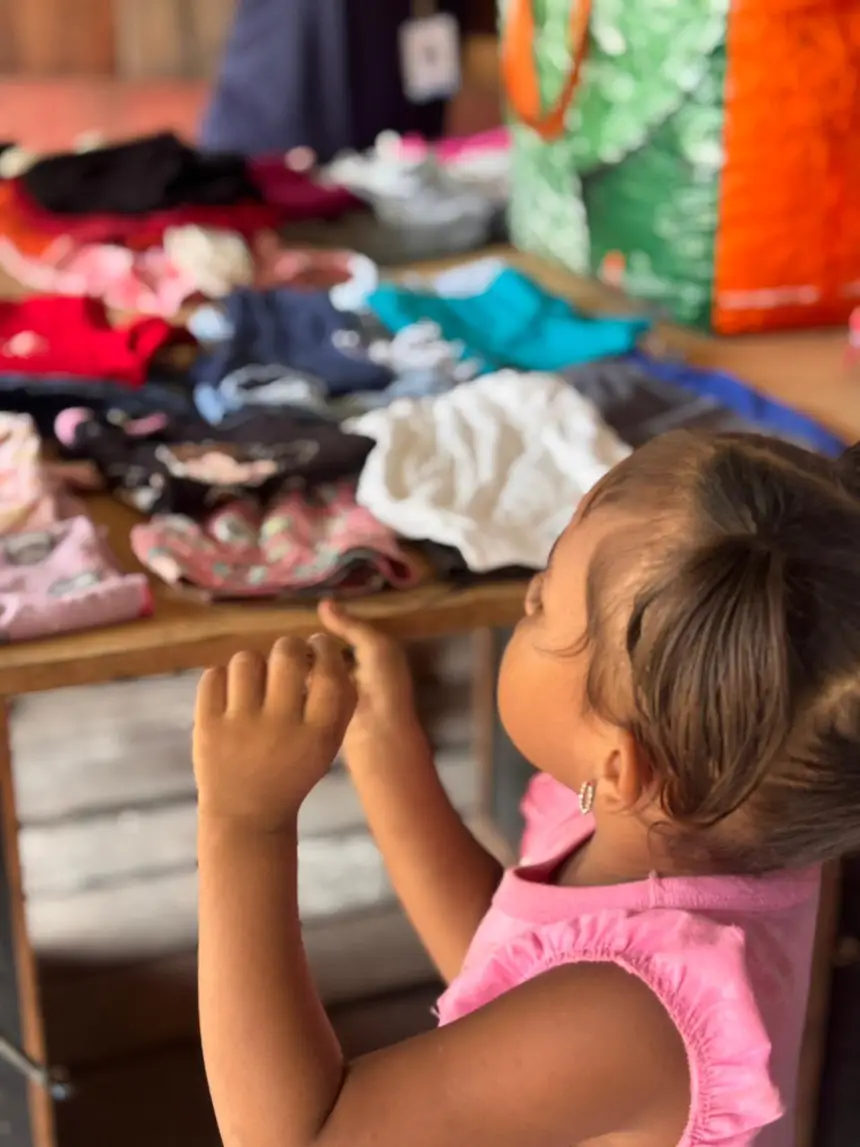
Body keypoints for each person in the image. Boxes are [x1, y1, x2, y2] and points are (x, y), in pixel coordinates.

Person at [193, 430, 860, 1147]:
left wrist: (246, 822)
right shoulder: (722, 813)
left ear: (622, 765)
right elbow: (506, 967)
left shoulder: (627, 1016)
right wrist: (384, 744)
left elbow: (300, 1138)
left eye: (542, 602)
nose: (526, 601)